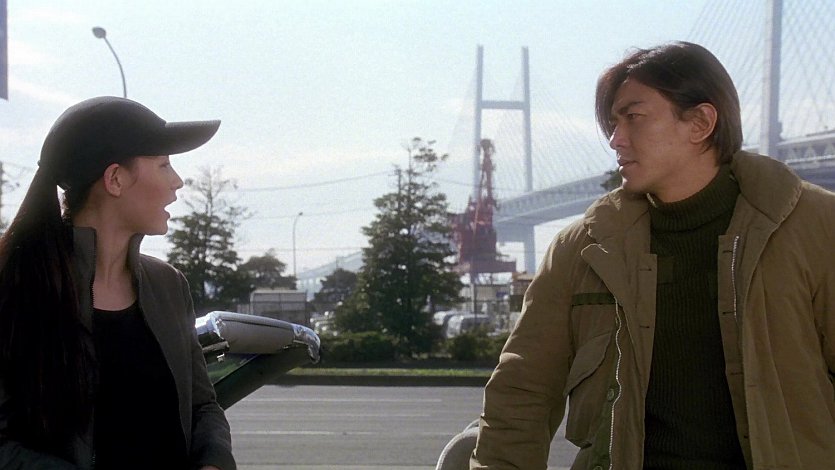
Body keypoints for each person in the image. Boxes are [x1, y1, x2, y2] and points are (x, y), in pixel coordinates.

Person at [471, 41, 835, 469]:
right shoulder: (584, 249)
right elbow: (521, 394)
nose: (615, 139)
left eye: (633, 117)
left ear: (700, 122)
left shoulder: (815, 227)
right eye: (613, 123)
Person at [0, 96, 236, 469]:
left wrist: (213, 461)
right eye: (163, 164)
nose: (177, 181)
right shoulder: (16, 287)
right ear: (115, 179)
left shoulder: (169, 286)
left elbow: (203, 406)